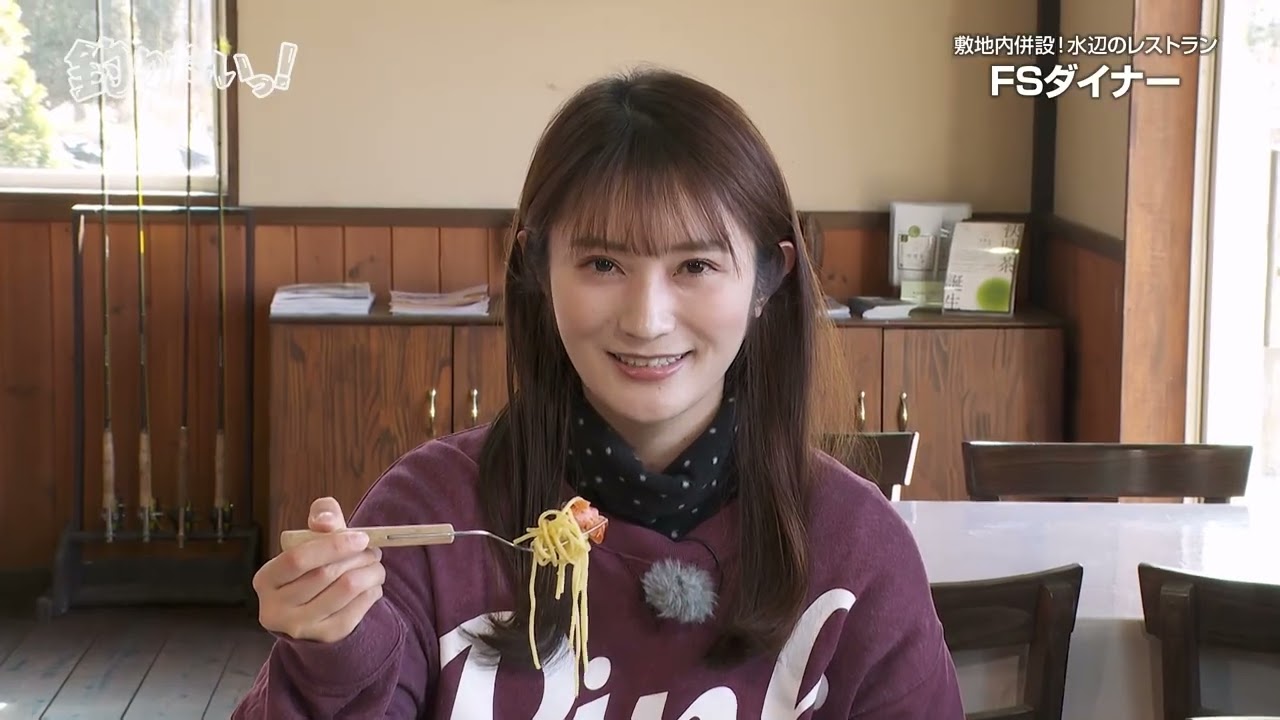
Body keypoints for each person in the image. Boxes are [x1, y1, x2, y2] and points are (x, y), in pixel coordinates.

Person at [232, 67, 964, 719]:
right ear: (537, 267)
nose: (646, 320)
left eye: (696, 266)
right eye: (603, 264)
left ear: (767, 281)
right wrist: (334, 656)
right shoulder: (431, 514)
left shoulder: (856, 549)